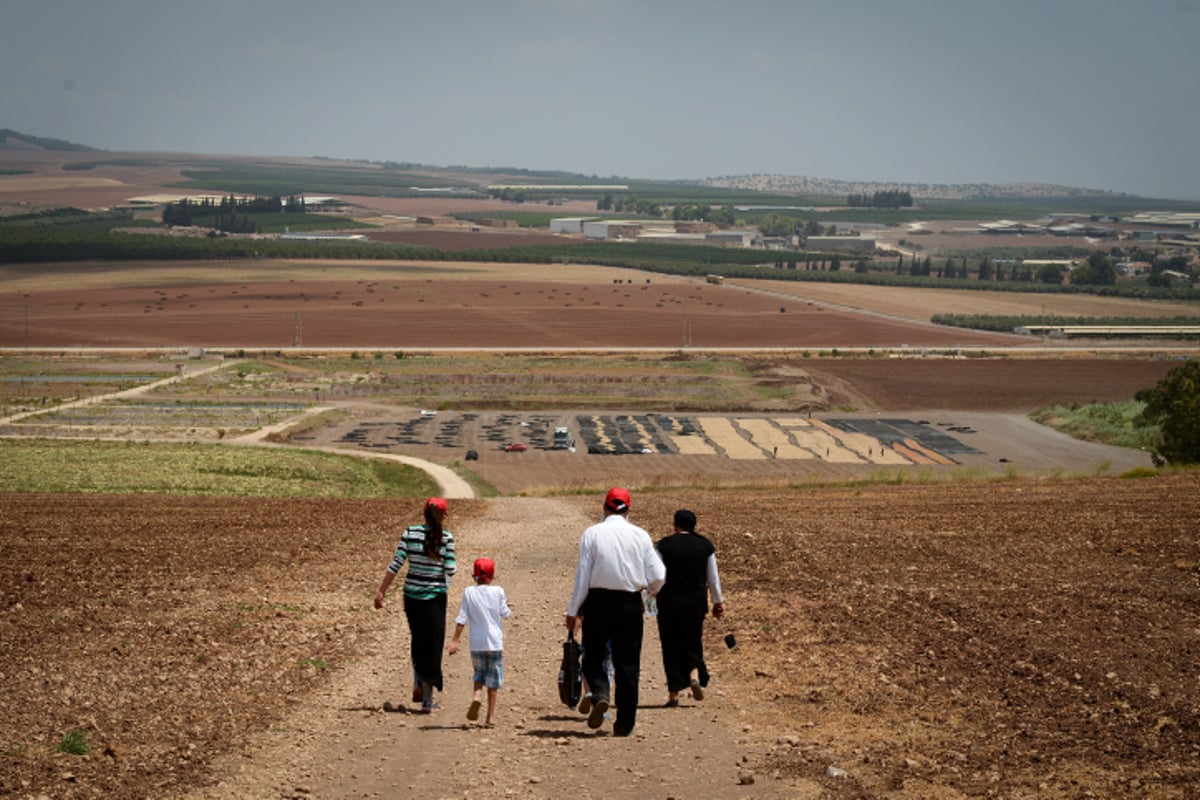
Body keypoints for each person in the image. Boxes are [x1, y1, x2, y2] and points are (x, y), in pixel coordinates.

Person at [565, 487, 666, 736]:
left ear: (604, 507)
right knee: (628, 664)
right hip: (630, 603)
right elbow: (659, 575)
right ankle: (624, 724)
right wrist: (648, 593)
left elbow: (583, 576)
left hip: (598, 602)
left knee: (593, 656)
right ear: (629, 509)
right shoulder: (641, 536)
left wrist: (573, 609)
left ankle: (599, 692)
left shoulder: (592, 534)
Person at [374, 497, 457, 713]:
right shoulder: (446, 538)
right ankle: (428, 699)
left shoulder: (410, 533)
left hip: (411, 597)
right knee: (434, 645)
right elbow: (450, 570)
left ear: (425, 513)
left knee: (418, 640)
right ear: (442, 516)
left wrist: (381, 591)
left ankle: (417, 681)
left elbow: (396, 564)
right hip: (435, 598)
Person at [655, 509, 725, 707]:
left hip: (668, 602)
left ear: (675, 524)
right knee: (693, 640)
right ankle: (694, 675)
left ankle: (673, 694)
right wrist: (718, 602)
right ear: (694, 525)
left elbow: (657, 575)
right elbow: (713, 578)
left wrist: (649, 596)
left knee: (670, 644)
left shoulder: (664, 545)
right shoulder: (705, 546)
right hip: (695, 602)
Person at [448, 557, 511, 727]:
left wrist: (454, 641)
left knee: (478, 674)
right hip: (495, 643)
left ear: (474, 575)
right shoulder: (498, 591)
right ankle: (490, 718)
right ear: (492, 575)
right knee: (493, 682)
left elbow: (462, 618)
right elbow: (505, 613)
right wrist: (506, 606)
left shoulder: (468, 592)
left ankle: (476, 697)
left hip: (476, 644)